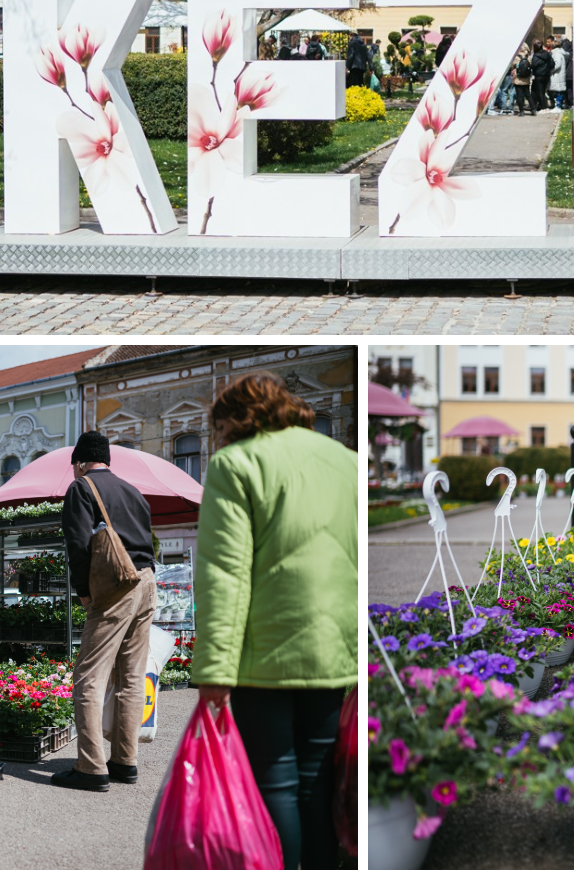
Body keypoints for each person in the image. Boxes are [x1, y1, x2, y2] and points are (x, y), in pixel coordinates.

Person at [192, 371, 358, 870]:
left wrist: (215, 671)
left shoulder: (235, 464)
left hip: (263, 655)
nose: (216, 441)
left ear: (235, 422)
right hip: (334, 651)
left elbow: (224, 574)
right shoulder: (346, 461)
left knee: (275, 785)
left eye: (217, 429)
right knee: (317, 784)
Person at [51, 431, 159, 793]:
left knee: (89, 677)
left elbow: (79, 546)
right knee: (131, 675)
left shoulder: (81, 489)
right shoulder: (133, 492)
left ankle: (91, 767)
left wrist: (84, 593)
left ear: (80, 462)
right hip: (147, 583)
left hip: (115, 587)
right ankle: (124, 762)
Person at [529, 39, 556, 115]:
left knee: (539, 92)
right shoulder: (547, 54)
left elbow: (534, 65)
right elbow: (552, 64)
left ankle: (543, 107)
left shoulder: (536, 55)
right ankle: (537, 106)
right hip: (546, 75)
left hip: (538, 75)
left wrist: (531, 67)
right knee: (541, 91)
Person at [510, 45, 535, 114]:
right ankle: (533, 110)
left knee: (519, 95)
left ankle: (521, 111)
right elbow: (530, 65)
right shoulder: (528, 56)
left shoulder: (516, 57)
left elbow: (512, 66)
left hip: (518, 78)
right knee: (528, 95)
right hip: (526, 78)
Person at [549, 37, 570, 109]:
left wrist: (550, 70)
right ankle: (558, 105)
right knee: (559, 91)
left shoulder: (556, 53)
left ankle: (558, 106)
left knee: (558, 91)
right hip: (559, 74)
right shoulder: (560, 52)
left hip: (557, 75)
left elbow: (557, 64)